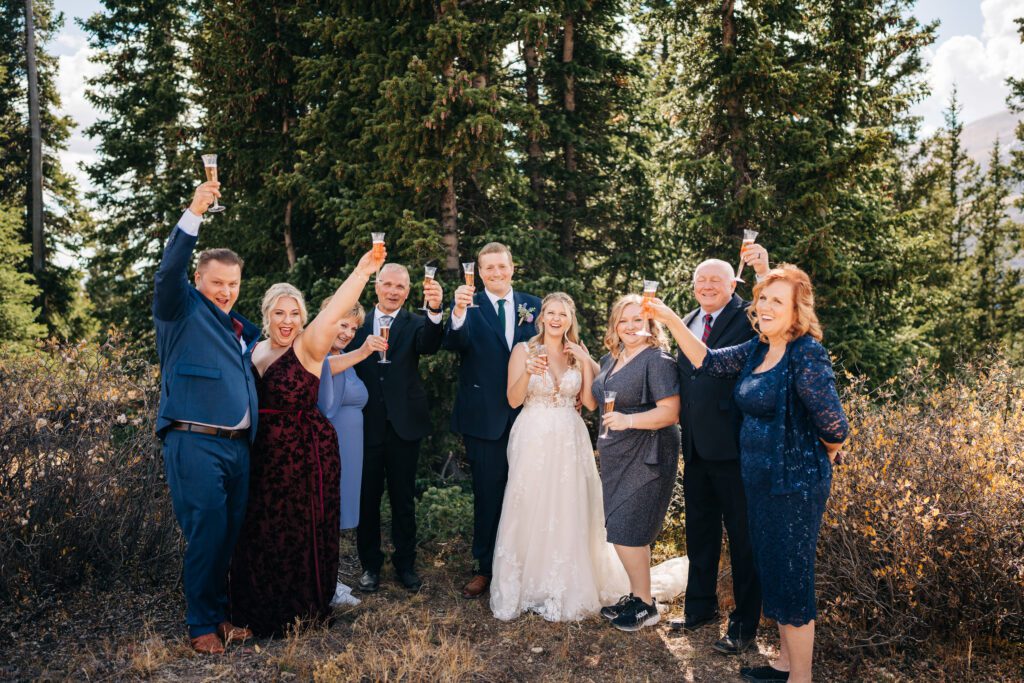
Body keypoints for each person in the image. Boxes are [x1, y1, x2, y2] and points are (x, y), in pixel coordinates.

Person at [650, 265, 849, 683]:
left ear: (798, 310)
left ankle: (801, 677)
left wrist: (818, 457)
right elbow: (707, 361)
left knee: (792, 578)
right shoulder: (759, 348)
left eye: (778, 300)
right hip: (757, 481)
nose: (767, 306)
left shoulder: (806, 352)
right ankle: (783, 663)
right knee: (773, 572)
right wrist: (669, 318)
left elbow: (835, 427)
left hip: (794, 485)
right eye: (763, 299)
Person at [228, 249, 384, 637]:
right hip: (263, 452)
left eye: (295, 313)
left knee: (297, 529)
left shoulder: (309, 345)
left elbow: (335, 313)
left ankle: (296, 610)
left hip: (305, 452)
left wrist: (362, 271)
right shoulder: (256, 349)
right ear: (267, 315)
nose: (288, 320)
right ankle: (254, 604)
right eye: (280, 313)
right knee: (262, 528)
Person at [153, 180, 259, 654]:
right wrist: (195, 210)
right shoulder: (179, 308)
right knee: (206, 532)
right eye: (217, 282)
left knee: (228, 534)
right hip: (193, 440)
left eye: (233, 284)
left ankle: (220, 616)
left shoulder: (241, 328)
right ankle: (200, 625)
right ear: (199, 280)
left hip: (238, 446)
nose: (225, 291)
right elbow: (167, 270)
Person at [489, 293, 630, 621]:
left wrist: (583, 361)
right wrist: (526, 371)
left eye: (562, 314)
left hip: (570, 435)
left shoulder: (576, 353)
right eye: (550, 313)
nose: (556, 319)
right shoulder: (523, 350)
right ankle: (526, 585)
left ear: (570, 319)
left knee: (568, 505)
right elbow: (512, 400)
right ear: (541, 317)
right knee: (529, 503)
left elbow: (591, 405)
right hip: (533, 434)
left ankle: (565, 584)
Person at [670, 247, 770, 656]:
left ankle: (744, 625)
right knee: (700, 533)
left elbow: (771, 306)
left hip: (735, 447)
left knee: (744, 540)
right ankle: (700, 608)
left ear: (734, 284)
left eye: (716, 280)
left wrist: (764, 268)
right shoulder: (689, 321)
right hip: (695, 448)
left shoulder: (748, 316)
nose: (707, 286)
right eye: (701, 280)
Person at [442, 243, 542, 599]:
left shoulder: (534, 304)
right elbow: (454, 342)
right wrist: (456, 310)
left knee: (530, 492)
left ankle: (527, 564)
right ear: (479, 272)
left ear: (512, 267)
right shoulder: (469, 306)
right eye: (489, 268)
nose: (496, 273)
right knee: (488, 494)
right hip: (484, 417)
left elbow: (550, 347)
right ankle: (484, 567)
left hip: (532, 415)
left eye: (501, 266)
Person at [590, 295, 681, 632]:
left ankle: (646, 606)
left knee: (628, 529)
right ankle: (638, 596)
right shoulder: (610, 358)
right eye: (623, 320)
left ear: (650, 323)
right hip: (617, 455)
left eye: (637, 320)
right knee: (624, 528)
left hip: (649, 452)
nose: (630, 326)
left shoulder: (657, 360)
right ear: (615, 325)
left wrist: (628, 422)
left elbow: (670, 412)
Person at [351, 264, 444, 593]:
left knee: (403, 499)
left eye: (400, 287)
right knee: (367, 500)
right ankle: (370, 567)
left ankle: (406, 565)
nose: (393, 291)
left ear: (408, 292)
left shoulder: (416, 323)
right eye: (387, 284)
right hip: (365, 425)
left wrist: (435, 310)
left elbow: (430, 344)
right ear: (376, 286)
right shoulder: (357, 323)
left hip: (405, 425)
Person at [316, 300, 382, 609]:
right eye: (343, 324)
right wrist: (364, 350)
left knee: (336, 518)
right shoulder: (319, 356)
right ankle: (324, 584)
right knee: (325, 516)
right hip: (331, 448)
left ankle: (330, 578)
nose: (348, 332)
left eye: (353, 328)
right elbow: (324, 372)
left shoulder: (343, 357)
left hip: (351, 450)